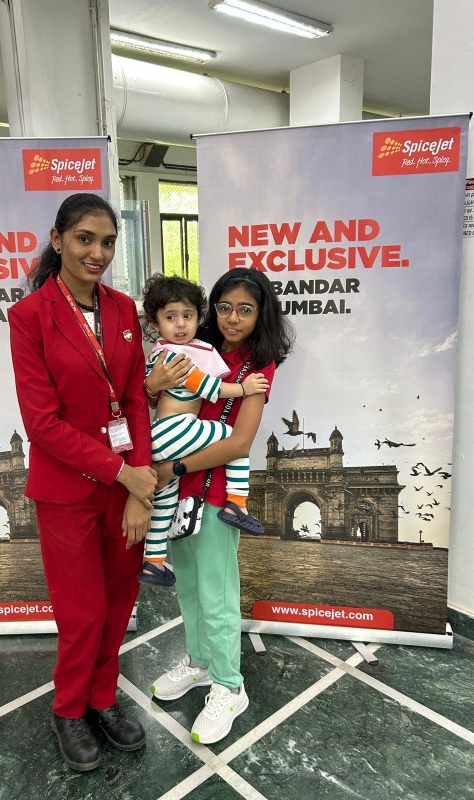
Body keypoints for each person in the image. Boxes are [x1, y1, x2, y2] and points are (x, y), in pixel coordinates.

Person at [7, 193, 189, 772]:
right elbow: (42, 424)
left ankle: (103, 699)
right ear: (58, 239)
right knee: (81, 612)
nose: (98, 253)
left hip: (125, 488)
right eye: (85, 239)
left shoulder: (122, 309)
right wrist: (123, 473)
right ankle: (68, 708)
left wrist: (138, 488)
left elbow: (134, 397)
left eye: (108, 242)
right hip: (66, 492)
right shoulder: (29, 316)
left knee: (117, 604)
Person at [145, 267, 294, 745]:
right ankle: (201, 662)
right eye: (225, 307)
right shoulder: (193, 347)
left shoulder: (259, 368)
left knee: (218, 593)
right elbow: (154, 400)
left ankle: (230, 686)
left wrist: (173, 468)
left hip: (210, 490)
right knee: (189, 588)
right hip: (178, 493)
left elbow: (240, 442)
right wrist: (152, 386)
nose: (232, 318)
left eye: (245, 310)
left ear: (261, 315)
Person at [138, 273, 269, 588]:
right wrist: (243, 388)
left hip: (163, 436)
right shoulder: (177, 353)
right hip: (177, 429)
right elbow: (206, 387)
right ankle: (237, 501)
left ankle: (153, 563)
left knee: (164, 504)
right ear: (155, 322)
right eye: (171, 317)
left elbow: (152, 395)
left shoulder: (165, 349)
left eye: (187, 316)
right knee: (231, 438)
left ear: (199, 317)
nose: (181, 324)